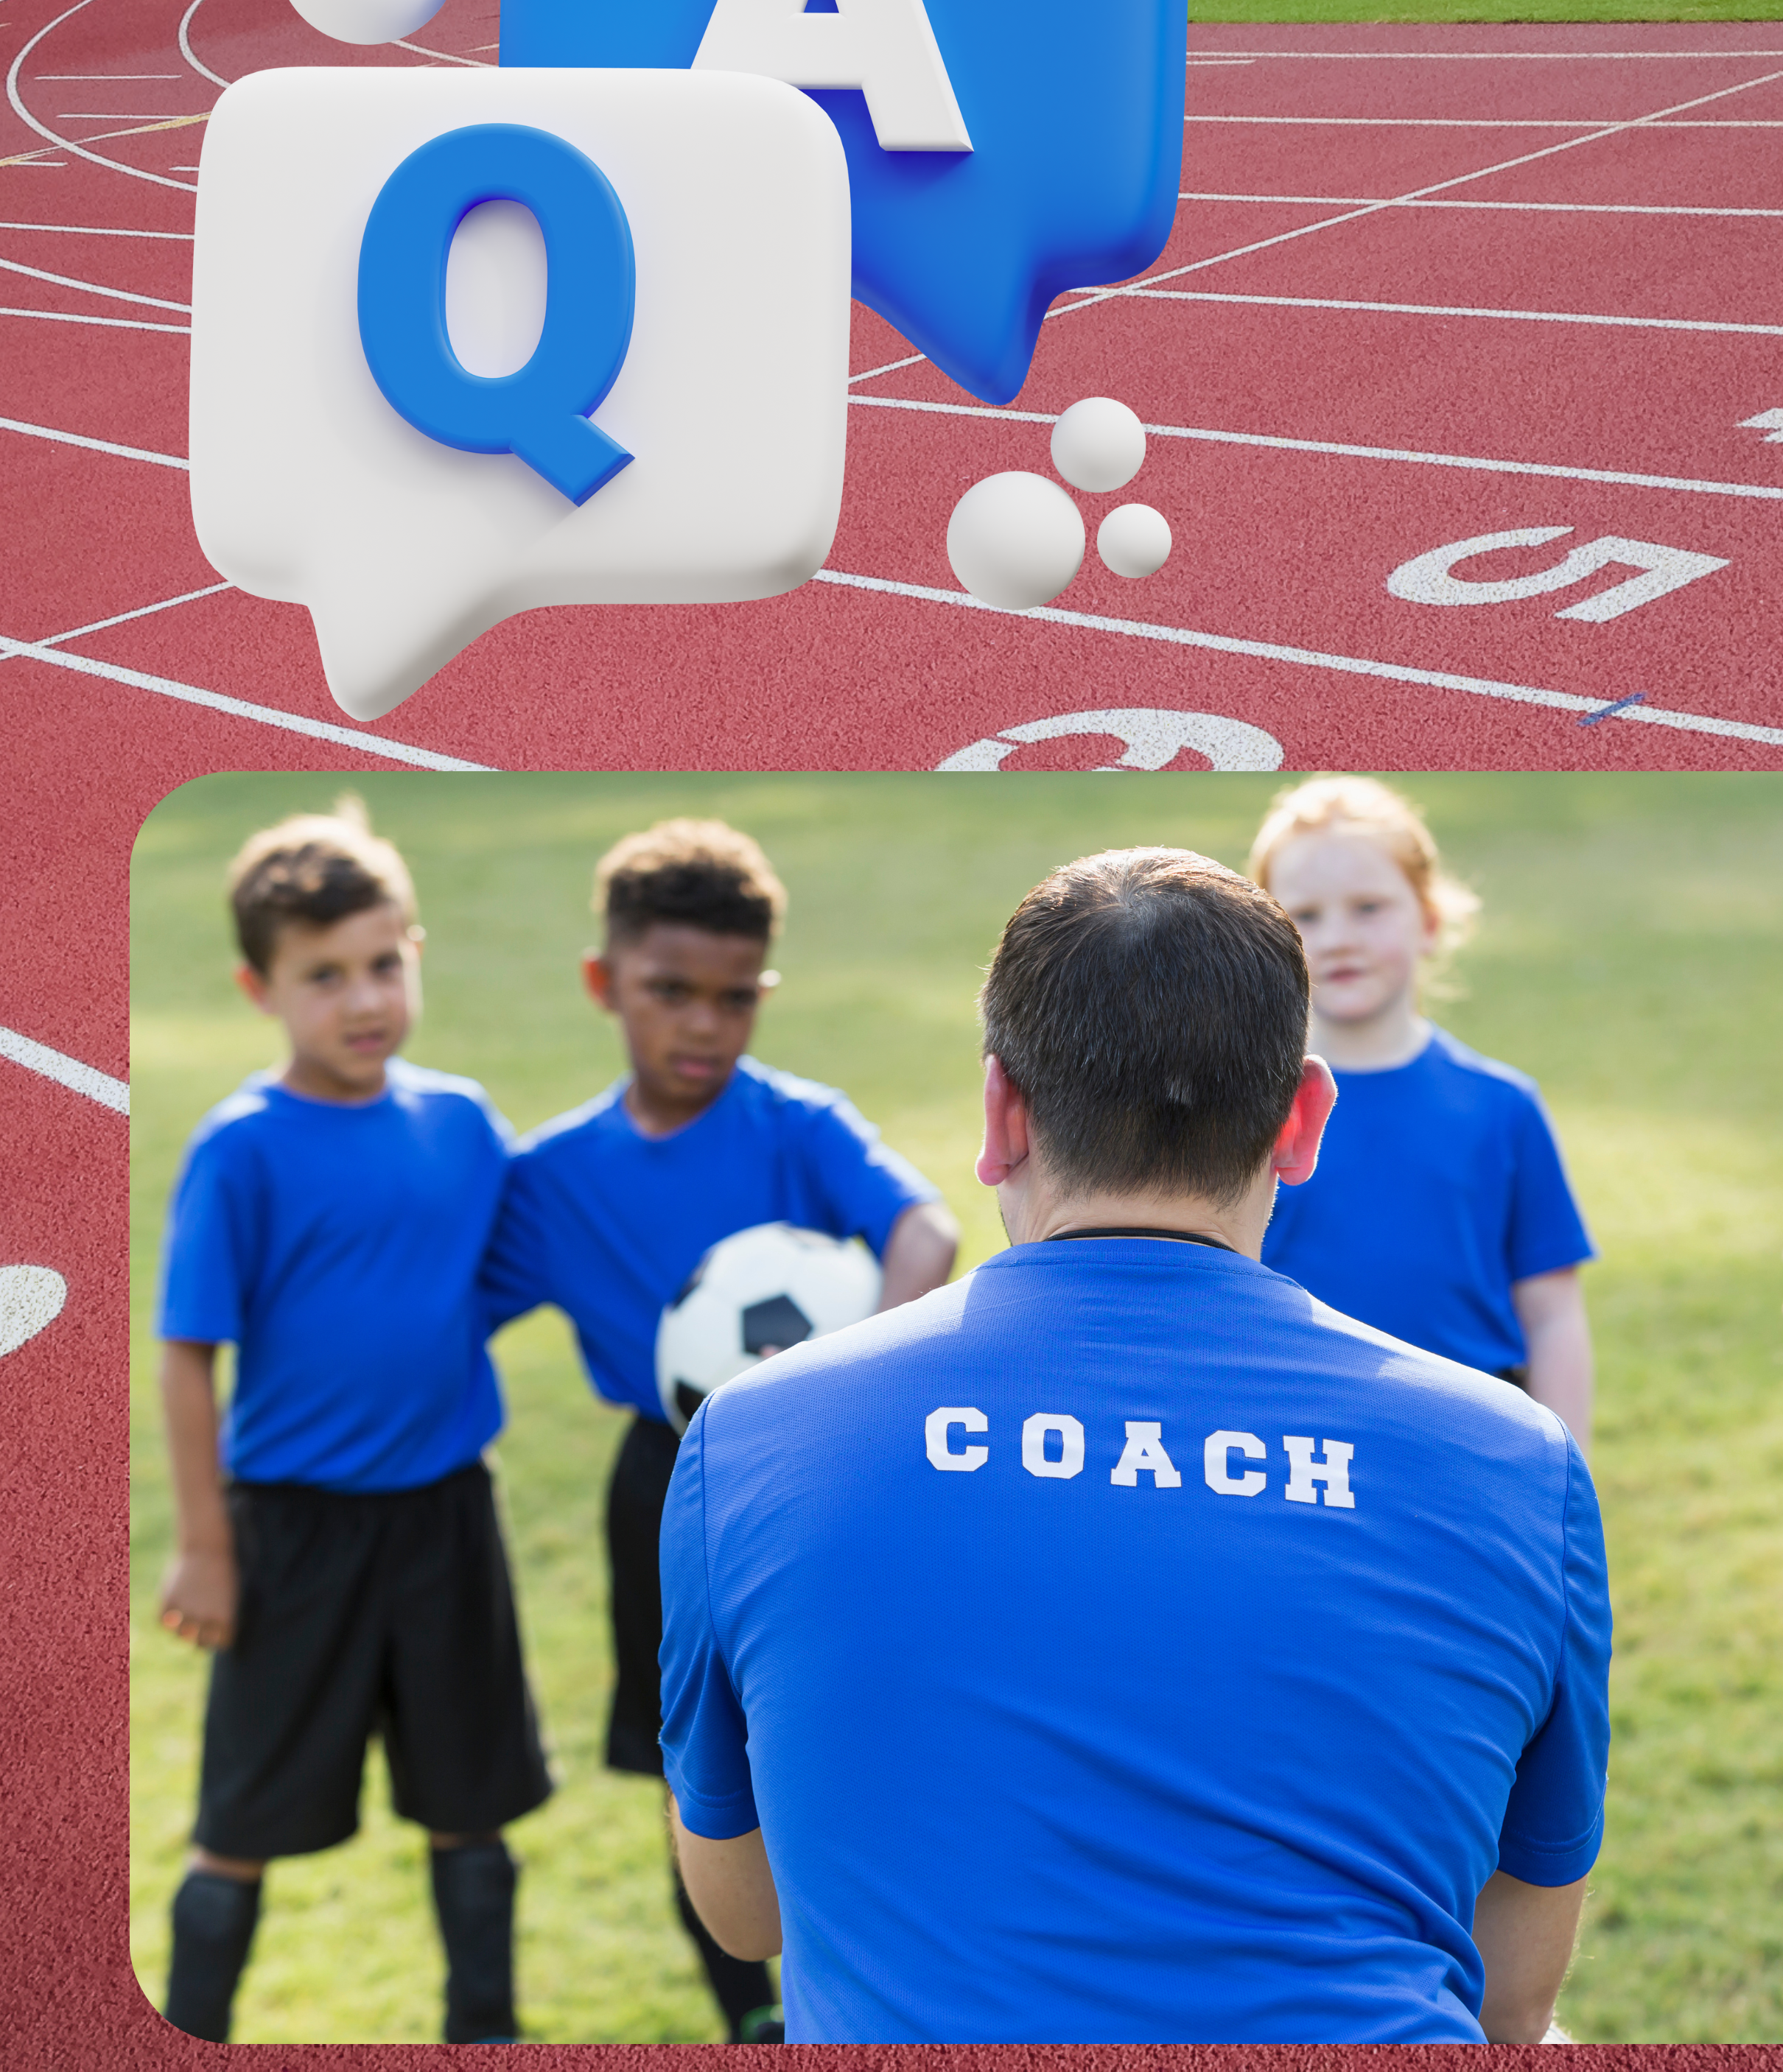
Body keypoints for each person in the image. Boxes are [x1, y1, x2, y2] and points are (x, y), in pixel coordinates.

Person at [658, 846, 1611, 2041]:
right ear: (1306, 1119)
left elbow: (744, 1911)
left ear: (1001, 1110)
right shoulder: (1519, 1465)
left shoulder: (752, 1435)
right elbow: (1515, 1998)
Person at [480, 818, 960, 2043]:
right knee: (698, 1769)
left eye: (736, 998)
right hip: (666, 1484)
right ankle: (748, 2013)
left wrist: (845, 1391)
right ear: (606, 984)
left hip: (829, 1473)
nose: (705, 1025)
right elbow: (451, 1312)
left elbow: (927, 1235)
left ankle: (869, 1972)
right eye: (671, 993)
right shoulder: (551, 1176)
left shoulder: (799, 1123)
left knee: (843, 1720)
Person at [153, 802, 550, 2045]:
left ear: (415, 951)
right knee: (238, 1826)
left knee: (469, 1809)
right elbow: (184, 1358)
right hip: (291, 1537)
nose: (363, 999)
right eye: (322, 977)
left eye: (385, 963)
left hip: (446, 1518)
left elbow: (513, 1265)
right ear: (258, 988)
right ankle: (182, 2030)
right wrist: (208, 1546)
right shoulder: (242, 1151)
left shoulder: (461, 1122)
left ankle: (482, 2028)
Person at [1247, 776, 1594, 1448]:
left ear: (1430, 922)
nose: (1339, 938)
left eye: (1369, 907)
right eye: (1307, 916)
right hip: (1293, 1448)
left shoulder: (1501, 1108)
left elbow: (1552, 1313)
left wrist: (1565, 1477)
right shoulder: (1243, 1106)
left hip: (1468, 1448)